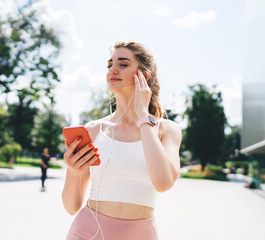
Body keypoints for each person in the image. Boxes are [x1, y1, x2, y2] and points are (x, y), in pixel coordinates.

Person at [62, 41, 182, 239]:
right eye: (110, 65)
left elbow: (163, 182)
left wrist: (144, 116)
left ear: (143, 75)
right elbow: (71, 206)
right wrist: (73, 172)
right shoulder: (93, 130)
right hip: (86, 233)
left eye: (123, 64)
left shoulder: (166, 130)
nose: (113, 70)